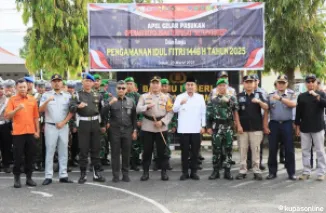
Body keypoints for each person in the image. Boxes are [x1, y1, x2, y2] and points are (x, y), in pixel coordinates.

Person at [69, 73, 106, 184]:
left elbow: (102, 110)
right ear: (82, 82)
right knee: (83, 150)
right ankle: (83, 174)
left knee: (96, 149)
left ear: (93, 83)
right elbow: (70, 107)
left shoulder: (98, 95)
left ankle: (96, 173)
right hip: (83, 124)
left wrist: (103, 124)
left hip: (95, 123)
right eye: (86, 81)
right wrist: (77, 106)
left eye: (90, 81)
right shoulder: (77, 95)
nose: (88, 83)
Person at [136, 76, 174, 181]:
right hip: (148, 127)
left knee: (163, 151)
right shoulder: (144, 97)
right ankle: (145, 172)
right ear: (150, 85)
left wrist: (162, 122)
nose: (155, 85)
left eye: (157, 83)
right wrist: (146, 107)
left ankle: (164, 172)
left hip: (161, 127)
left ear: (161, 86)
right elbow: (138, 109)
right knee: (147, 151)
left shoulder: (166, 98)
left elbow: (171, 112)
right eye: (153, 83)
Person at [39, 74, 74, 185]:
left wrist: (63, 123)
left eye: (59, 81)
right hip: (50, 126)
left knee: (63, 151)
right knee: (50, 151)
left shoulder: (67, 96)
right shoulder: (46, 95)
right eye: (54, 81)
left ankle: (63, 175)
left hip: (63, 126)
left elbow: (71, 111)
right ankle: (48, 176)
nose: (57, 83)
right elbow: (40, 109)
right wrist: (48, 101)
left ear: (62, 83)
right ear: (51, 83)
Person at [5, 78, 40, 188]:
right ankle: (17, 179)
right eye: (20, 87)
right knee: (18, 156)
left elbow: (36, 117)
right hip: (18, 133)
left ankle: (29, 178)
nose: (23, 89)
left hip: (30, 132)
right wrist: (17, 109)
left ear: (27, 87)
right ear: (16, 88)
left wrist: (37, 131)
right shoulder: (12, 100)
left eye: (24, 87)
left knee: (31, 156)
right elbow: (8, 115)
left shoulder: (32, 99)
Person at [102, 80, 137, 182]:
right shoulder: (110, 100)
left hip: (127, 130)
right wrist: (109, 104)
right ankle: (116, 175)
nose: (121, 90)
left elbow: (134, 118)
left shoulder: (131, 101)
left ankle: (125, 174)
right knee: (115, 154)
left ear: (126, 90)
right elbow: (103, 113)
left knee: (126, 154)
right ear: (116, 89)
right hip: (114, 131)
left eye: (123, 88)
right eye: (119, 88)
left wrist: (134, 130)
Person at [235, 75, 268, 181]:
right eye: (247, 82)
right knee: (243, 151)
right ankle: (242, 170)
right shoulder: (238, 96)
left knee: (256, 151)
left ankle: (256, 170)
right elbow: (235, 112)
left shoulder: (259, 95)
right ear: (243, 84)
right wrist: (238, 125)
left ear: (254, 83)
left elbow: (266, 107)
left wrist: (259, 102)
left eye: (251, 82)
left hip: (256, 128)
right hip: (242, 129)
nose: (249, 84)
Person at [173, 76, 206, 181]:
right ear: (185, 86)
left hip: (196, 129)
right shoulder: (179, 97)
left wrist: (203, 126)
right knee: (185, 152)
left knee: (195, 152)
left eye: (192, 85)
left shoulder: (200, 97)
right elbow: (174, 110)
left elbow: (203, 113)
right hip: (183, 130)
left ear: (195, 87)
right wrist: (180, 103)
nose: (190, 87)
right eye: (188, 85)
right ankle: (185, 172)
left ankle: (194, 172)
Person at [264, 75, 297, 180]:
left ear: (286, 84)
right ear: (276, 83)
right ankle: (272, 172)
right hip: (274, 124)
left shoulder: (292, 94)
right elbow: (266, 111)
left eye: (283, 82)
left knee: (289, 149)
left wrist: (281, 98)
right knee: (273, 149)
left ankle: (291, 173)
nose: (281, 84)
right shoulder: (270, 95)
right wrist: (265, 125)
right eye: (279, 82)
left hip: (287, 124)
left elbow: (293, 104)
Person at [206, 78, 239, 180]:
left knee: (228, 150)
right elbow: (208, 115)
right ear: (217, 88)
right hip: (216, 128)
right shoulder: (213, 100)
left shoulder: (232, 98)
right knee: (216, 150)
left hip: (228, 128)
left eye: (224, 85)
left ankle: (227, 172)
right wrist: (208, 127)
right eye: (220, 86)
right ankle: (215, 171)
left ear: (227, 87)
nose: (222, 87)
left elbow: (236, 109)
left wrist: (229, 101)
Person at [295, 74, 326, 181]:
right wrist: (297, 126)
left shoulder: (321, 94)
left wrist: (316, 96)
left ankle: (321, 172)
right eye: (308, 82)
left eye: (313, 81)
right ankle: (306, 172)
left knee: (320, 151)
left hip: (318, 127)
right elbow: (298, 113)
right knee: (305, 150)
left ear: (316, 83)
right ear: (306, 84)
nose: (311, 84)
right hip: (305, 128)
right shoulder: (301, 96)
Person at [153, 78, 176, 171]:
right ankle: (156, 162)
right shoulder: (154, 96)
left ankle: (166, 162)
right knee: (156, 144)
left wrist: (174, 124)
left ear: (169, 87)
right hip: (156, 124)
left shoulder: (171, 98)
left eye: (166, 86)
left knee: (166, 143)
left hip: (168, 125)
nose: (164, 87)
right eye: (162, 86)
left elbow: (173, 112)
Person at [246, 74, 267, 171]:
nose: (252, 83)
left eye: (254, 80)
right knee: (249, 144)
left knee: (258, 144)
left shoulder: (262, 92)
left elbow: (267, 108)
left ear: (257, 81)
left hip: (260, 120)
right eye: (249, 81)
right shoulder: (244, 92)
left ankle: (259, 162)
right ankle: (249, 162)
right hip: (248, 122)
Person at [125, 77, 142, 171]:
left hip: (136, 123)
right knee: (126, 144)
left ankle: (134, 162)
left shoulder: (138, 96)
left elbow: (142, 109)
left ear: (134, 85)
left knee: (136, 144)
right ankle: (127, 162)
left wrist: (140, 120)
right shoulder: (122, 95)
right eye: (127, 84)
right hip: (125, 124)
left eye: (131, 84)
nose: (129, 85)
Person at [33, 80, 47, 172]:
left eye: (42, 87)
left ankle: (45, 162)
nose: (41, 89)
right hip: (36, 122)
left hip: (47, 122)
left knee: (47, 144)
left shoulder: (47, 96)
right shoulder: (33, 97)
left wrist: (45, 123)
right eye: (39, 87)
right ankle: (37, 162)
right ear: (36, 87)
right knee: (38, 144)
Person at [0, 82, 12, 173]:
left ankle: (6, 164)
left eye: (1, 88)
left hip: (5, 125)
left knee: (6, 145)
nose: (0, 90)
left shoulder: (8, 99)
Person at [67, 81, 79, 167]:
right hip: (65, 123)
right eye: (69, 87)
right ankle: (68, 160)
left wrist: (75, 125)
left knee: (75, 143)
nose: (70, 89)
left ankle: (73, 158)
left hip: (74, 123)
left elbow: (77, 112)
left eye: (71, 88)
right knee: (67, 143)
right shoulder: (64, 96)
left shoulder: (76, 97)